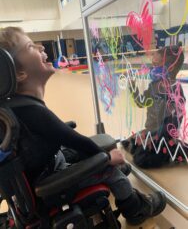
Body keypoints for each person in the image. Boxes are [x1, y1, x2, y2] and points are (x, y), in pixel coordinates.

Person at [0, 27, 166, 226]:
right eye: (31, 46)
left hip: (44, 168)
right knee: (112, 173)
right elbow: (72, 139)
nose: (41, 46)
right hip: (49, 184)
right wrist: (107, 159)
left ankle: (116, 169)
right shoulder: (32, 111)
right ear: (19, 74)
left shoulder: (16, 107)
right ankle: (136, 208)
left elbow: (59, 135)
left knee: (95, 153)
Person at [122, 45, 187, 168]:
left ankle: (175, 148)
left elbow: (174, 121)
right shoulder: (154, 86)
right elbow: (141, 103)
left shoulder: (175, 90)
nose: (153, 68)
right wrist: (132, 85)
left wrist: (156, 136)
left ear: (171, 68)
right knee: (128, 143)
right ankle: (170, 148)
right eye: (153, 64)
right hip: (150, 132)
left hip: (163, 136)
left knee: (142, 159)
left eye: (156, 65)